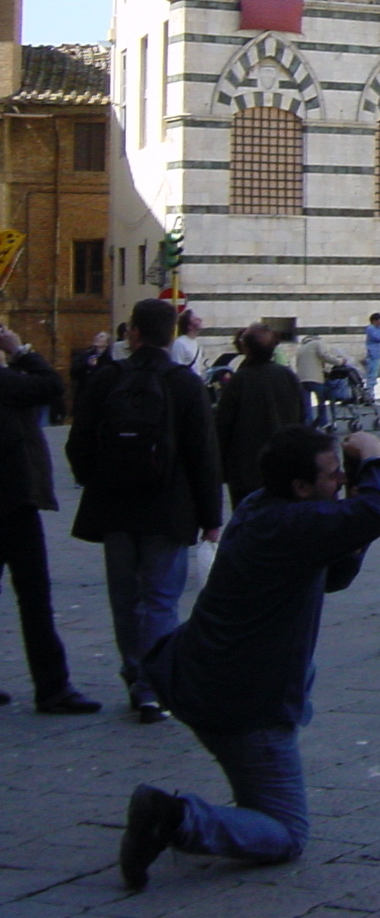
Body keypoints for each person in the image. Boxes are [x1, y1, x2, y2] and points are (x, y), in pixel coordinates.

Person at [118, 425, 380, 889]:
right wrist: (371, 458)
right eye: (333, 475)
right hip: (244, 700)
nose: (342, 482)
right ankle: (173, 818)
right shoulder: (291, 524)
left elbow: (332, 575)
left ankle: (184, 817)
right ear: (301, 487)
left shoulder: (260, 508)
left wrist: (350, 530)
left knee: (261, 801)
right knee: (287, 832)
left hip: (204, 677)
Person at [67, 299, 222, 724]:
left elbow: (77, 443)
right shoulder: (184, 384)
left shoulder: (105, 378)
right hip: (168, 508)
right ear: (171, 335)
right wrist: (211, 516)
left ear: (132, 333)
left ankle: (135, 671)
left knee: (124, 599)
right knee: (160, 600)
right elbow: (203, 455)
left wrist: (97, 480)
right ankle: (152, 687)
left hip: (114, 507)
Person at [0, 322, 99, 714]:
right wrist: (20, 350)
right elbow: (50, 386)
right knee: (34, 595)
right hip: (12, 501)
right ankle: (52, 686)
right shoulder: (5, 382)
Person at [214, 327, 304, 508]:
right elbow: (302, 418)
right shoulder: (287, 376)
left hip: (246, 471)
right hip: (283, 467)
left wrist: (221, 468)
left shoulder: (240, 379)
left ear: (246, 349)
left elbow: (222, 426)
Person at [293, 332, 350, 429]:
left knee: (306, 404)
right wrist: (339, 361)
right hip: (315, 378)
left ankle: (308, 424)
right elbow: (324, 356)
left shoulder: (301, 349)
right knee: (321, 400)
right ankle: (323, 422)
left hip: (302, 379)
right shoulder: (317, 343)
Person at [361, 315, 380, 403]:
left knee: (373, 376)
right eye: (379, 321)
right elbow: (379, 338)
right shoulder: (371, 329)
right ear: (374, 321)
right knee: (371, 377)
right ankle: (369, 397)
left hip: (378, 354)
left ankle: (369, 396)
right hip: (373, 355)